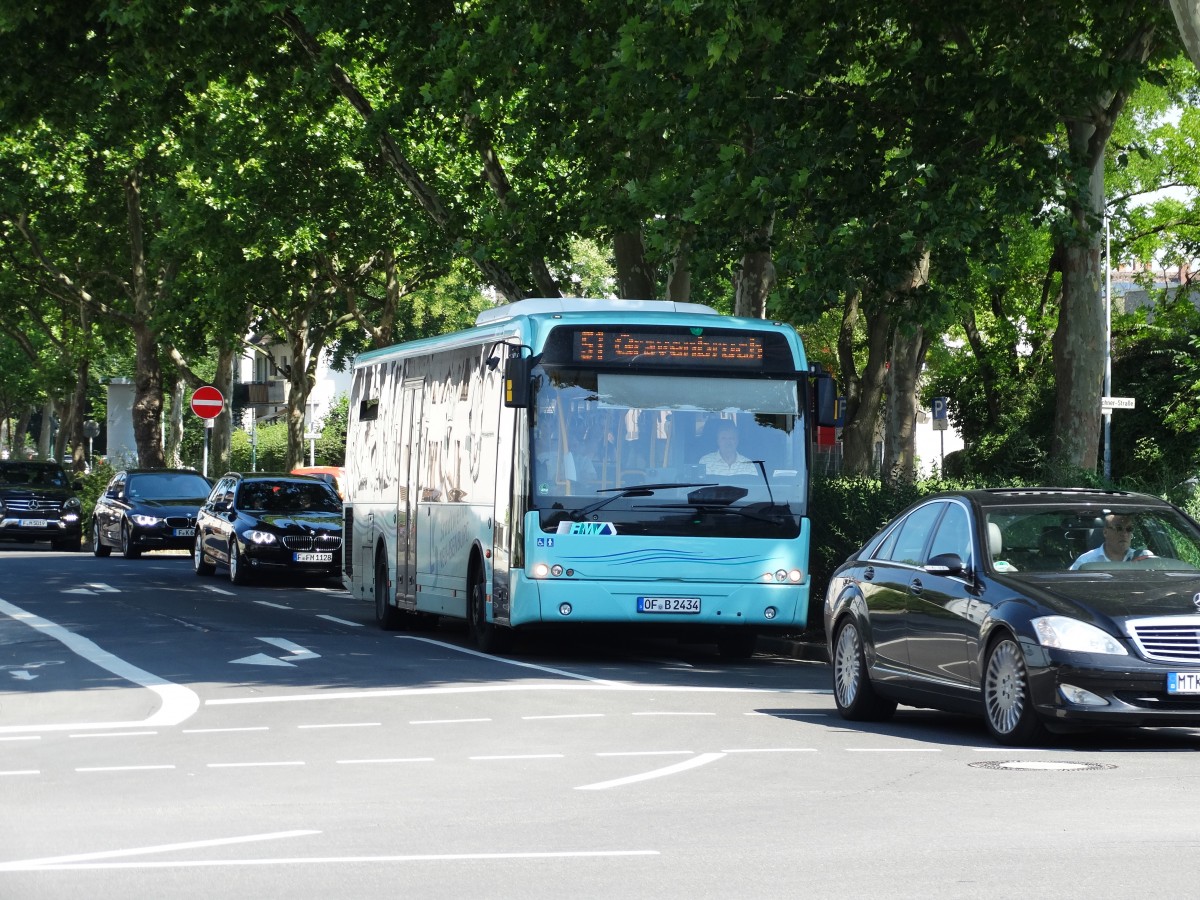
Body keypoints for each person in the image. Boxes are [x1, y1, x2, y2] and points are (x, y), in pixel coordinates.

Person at [1070, 513, 1155, 569]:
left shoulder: (1143, 558)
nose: (1124, 534)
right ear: (1105, 532)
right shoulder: (1086, 561)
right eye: (1119, 528)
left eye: (1129, 529)